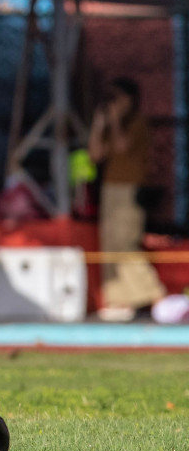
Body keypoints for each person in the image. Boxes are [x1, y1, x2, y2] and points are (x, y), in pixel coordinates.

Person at [88, 77, 166, 321]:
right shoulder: (112, 126)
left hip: (129, 190)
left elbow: (123, 147)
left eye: (118, 98)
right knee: (110, 244)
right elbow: (95, 155)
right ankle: (120, 300)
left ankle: (157, 296)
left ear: (130, 100)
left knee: (126, 244)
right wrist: (99, 125)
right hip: (111, 190)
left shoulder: (137, 123)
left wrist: (114, 121)